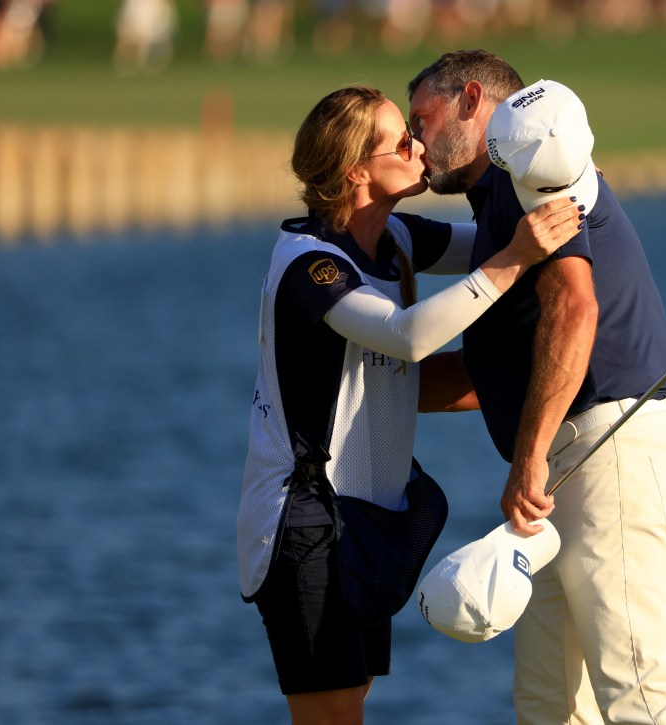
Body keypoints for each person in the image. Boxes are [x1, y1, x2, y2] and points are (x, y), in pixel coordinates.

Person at [236, 85, 583, 725]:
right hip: (306, 523)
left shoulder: (394, 235)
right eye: (401, 141)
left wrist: (562, 190)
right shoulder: (309, 265)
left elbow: (486, 240)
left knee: (354, 702)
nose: (419, 147)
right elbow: (410, 334)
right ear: (355, 171)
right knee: (331, 715)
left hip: (367, 513)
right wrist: (515, 259)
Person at [407, 51, 666, 724]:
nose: (413, 139)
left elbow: (575, 309)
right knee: (550, 706)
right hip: (566, 465)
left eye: (420, 117)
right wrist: (353, 388)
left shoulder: (531, 164)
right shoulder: (497, 204)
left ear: (472, 101)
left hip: (605, 453)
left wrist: (528, 456)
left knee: (638, 691)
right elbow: (495, 373)